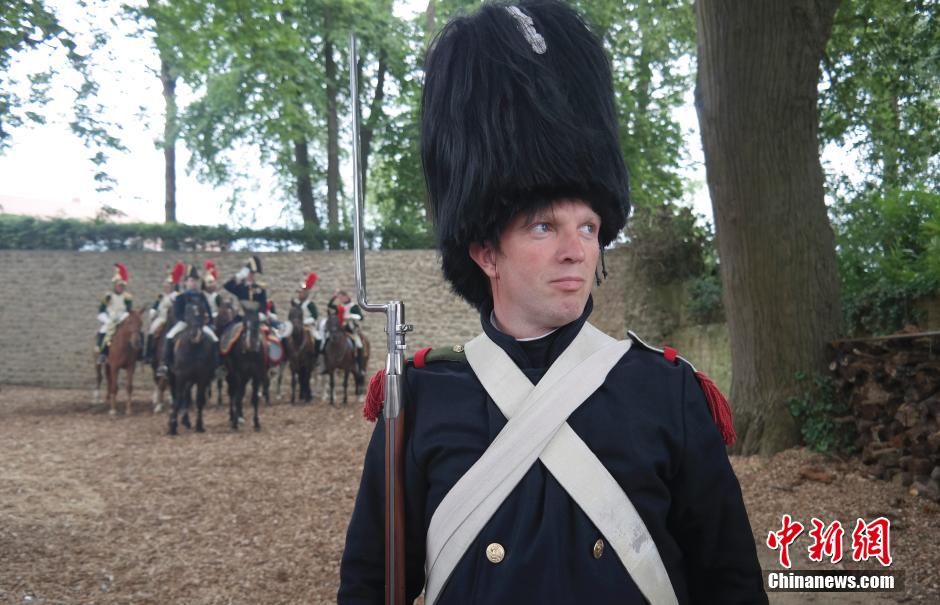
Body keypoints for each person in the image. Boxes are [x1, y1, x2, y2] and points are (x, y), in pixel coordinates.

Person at [338, 3, 766, 604]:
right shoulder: (423, 400)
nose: (575, 251)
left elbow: (731, 584)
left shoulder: (669, 392)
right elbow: (367, 585)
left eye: (587, 227)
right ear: (486, 252)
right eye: (544, 227)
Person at [160, 265, 219, 375]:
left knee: (214, 339)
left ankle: (216, 366)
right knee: (169, 336)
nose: (194, 283)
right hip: (184, 323)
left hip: (200, 324)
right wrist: (188, 321)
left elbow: (208, 312)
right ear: (186, 282)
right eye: (191, 281)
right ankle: (165, 364)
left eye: (196, 281)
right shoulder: (181, 297)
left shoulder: (201, 296)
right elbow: (178, 313)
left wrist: (209, 322)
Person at [96, 262, 133, 365]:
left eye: (122, 286)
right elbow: (101, 311)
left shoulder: (127, 297)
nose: (120, 288)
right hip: (110, 319)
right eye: (119, 286)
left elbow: (128, 310)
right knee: (103, 330)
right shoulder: (108, 296)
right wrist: (107, 320)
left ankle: (137, 354)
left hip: (123, 319)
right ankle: (102, 353)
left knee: (135, 332)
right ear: (115, 285)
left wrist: (123, 318)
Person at [145, 262, 183, 362]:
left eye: (168, 286)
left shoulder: (176, 295)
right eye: (165, 285)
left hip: (173, 319)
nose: (166, 287)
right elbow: (155, 306)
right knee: (152, 330)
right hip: (161, 318)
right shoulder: (161, 296)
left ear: (172, 286)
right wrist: (152, 312)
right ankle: (149, 354)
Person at [327, 289, 364, 371]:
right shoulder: (339, 307)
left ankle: (359, 365)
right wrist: (334, 297)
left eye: (341, 297)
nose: (340, 299)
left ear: (346, 296)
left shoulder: (353, 306)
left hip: (350, 330)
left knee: (359, 345)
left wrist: (350, 316)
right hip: (339, 330)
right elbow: (329, 305)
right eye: (339, 297)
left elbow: (361, 317)